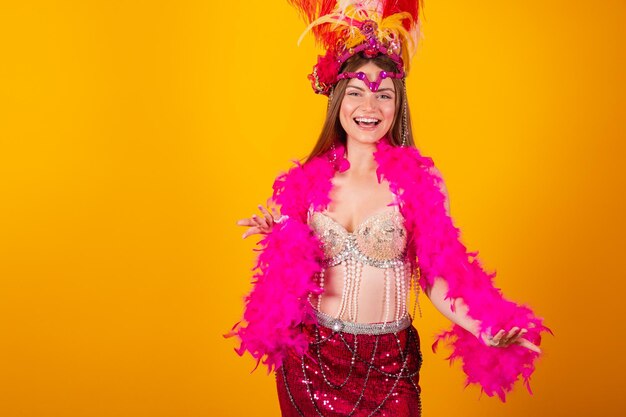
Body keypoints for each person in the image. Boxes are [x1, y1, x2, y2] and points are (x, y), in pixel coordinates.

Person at [226, 1, 548, 416]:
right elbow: (294, 270)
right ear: (338, 100)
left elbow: (437, 276)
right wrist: (280, 235)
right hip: (310, 363)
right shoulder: (307, 181)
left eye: (384, 95)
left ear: (398, 105)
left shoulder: (417, 184)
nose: (369, 107)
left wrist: (485, 328)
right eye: (357, 92)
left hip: (388, 365)